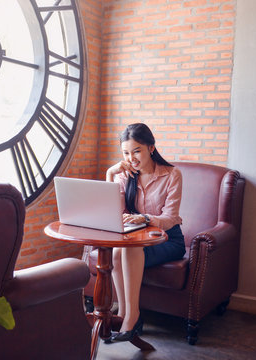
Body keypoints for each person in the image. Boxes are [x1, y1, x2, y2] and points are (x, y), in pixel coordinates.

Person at [105, 122, 185, 342]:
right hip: (136, 238)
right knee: (116, 252)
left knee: (129, 250)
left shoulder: (172, 174)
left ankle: (133, 317)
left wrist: (146, 218)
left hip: (168, 239)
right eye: (126, 153)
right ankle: (122, 314)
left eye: (137, 151)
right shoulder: (125, 176)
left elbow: (170, 218)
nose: (132, 158)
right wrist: (110, 174)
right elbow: (114, 213)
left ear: (151, 148)